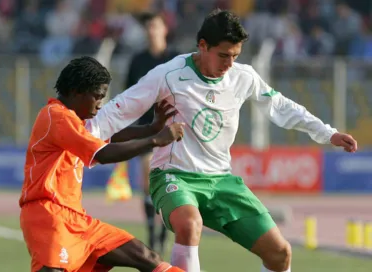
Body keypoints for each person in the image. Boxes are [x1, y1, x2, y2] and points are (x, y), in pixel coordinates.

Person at [86, 9, 358, 272]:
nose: (229, 64)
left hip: (221, 180)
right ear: (202, 46)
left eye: (235, 56)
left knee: (280, 252)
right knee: (190, 224)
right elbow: (118, 109)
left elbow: (281, 106)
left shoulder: (243, 76)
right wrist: (78, 137)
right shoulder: (168, 74)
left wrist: (328, 133)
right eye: (224, 55)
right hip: (173, 176)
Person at [18, 56, 186, 272]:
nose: (100, 105)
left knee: (146, 256)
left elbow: (111, 136)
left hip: (76, 219)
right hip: (48, 215)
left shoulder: (74, 122)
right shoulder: (56, 116)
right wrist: (155, 140)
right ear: (78, 91)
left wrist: (151, 129)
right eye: (97, 97)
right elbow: (104, 153)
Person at [126, 12, 180, 256]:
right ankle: (151, 234)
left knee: (169, 183)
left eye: (155, 26)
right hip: (147, 129)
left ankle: (164, 232)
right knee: (148, 181)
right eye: (148, 26)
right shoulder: (137, 61)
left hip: (172, 130)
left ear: (164, 30)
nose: (151, 31)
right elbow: (128, 95)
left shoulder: (175, 59)